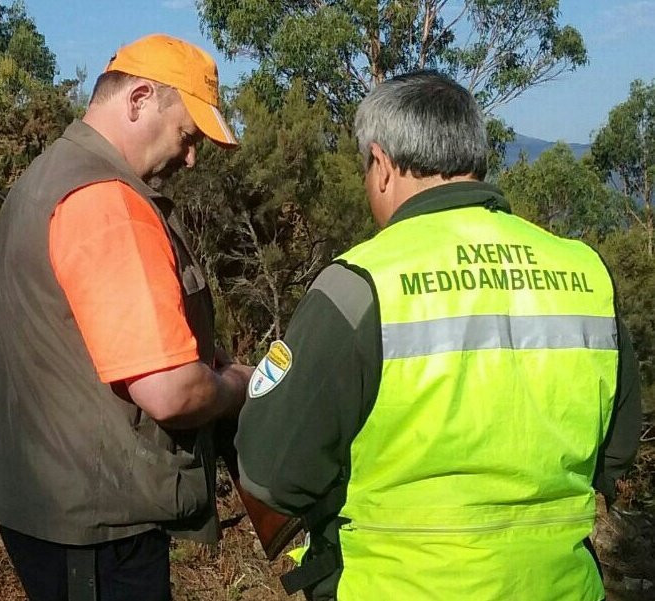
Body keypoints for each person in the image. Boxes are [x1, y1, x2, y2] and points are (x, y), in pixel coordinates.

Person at [235, 71, 642, 601]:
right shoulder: (586, 273)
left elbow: (271, 473)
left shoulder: (359, 285)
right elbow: (615, 454)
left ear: (380, 166)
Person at [0, 34, 252, 601]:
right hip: (94, 530)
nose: (190, 157)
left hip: (52, 507)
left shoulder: (49, 175)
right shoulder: (108, 202)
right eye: (187, 135)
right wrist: (233, 385)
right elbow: (169, 391)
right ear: (140, 98)